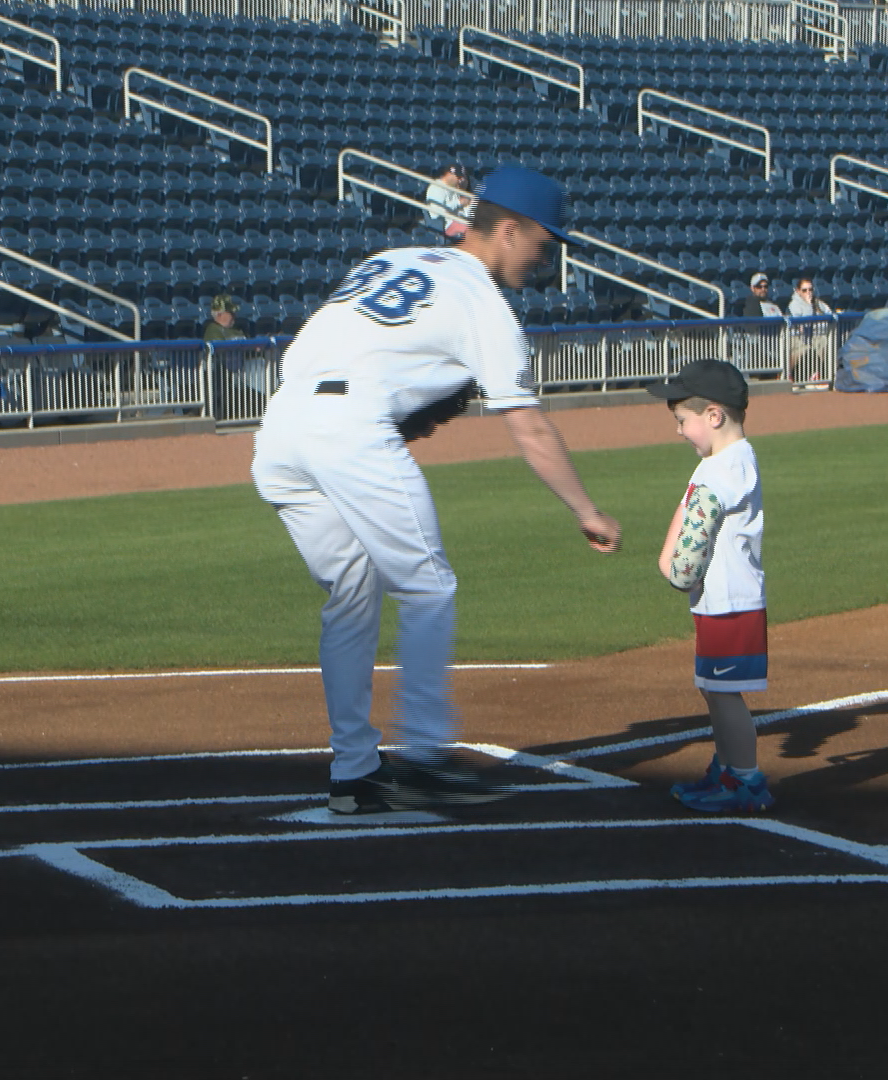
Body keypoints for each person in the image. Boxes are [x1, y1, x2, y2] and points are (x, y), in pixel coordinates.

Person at [252, 164, 622, 814]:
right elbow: (530, 429)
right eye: (541, 241)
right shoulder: (483, 302)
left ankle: (356, 774)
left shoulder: (391, 256)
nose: (543, 257)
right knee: (427, 584)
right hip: (349, 426)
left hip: (280, 429)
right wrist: (586, 509)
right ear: (509, 230)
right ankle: (424, 756)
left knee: (353, 595)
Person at [650, 358, 771, 813]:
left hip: (729, 602)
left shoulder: (721, 469)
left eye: (684, 420)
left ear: (714, 416)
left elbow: (690, 550)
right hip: (721, 600)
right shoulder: (732, 461)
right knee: (714, 689)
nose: (680, 430)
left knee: (723, 693)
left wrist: (672, 570)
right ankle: (728, 769)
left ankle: (745, 780)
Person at [423, 164, 470, 240]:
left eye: (463, 177)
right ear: (449, 175)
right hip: (446, 224)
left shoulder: (455, 187)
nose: (461, 180)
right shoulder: (436, 187)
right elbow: (436, 214)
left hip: (459, 221)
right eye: (459, 177)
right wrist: (458, 203)